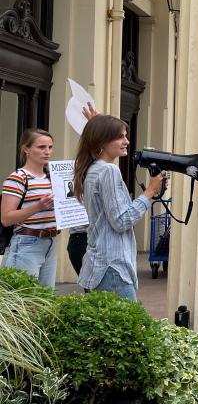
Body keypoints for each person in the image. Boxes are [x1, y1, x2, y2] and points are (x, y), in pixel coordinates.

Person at [72, 115, 164, 300]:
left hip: (100, 264)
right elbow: (121, 221)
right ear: (102, 141)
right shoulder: (108, 170)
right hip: (112, 267)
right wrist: (149, 192)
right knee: (131, 328)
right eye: (120, 137)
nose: (127, 141)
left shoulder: (93, 169)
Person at [1, 129, 58, 287]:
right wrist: (38, 206)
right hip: (27, 242)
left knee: (45, 299)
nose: (47, 152)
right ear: (26, 149)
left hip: (51, 241)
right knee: (24, 298)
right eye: (41, 147)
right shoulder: (18, 178)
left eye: (50, 147)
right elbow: (6, 218)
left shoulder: (52, 178)